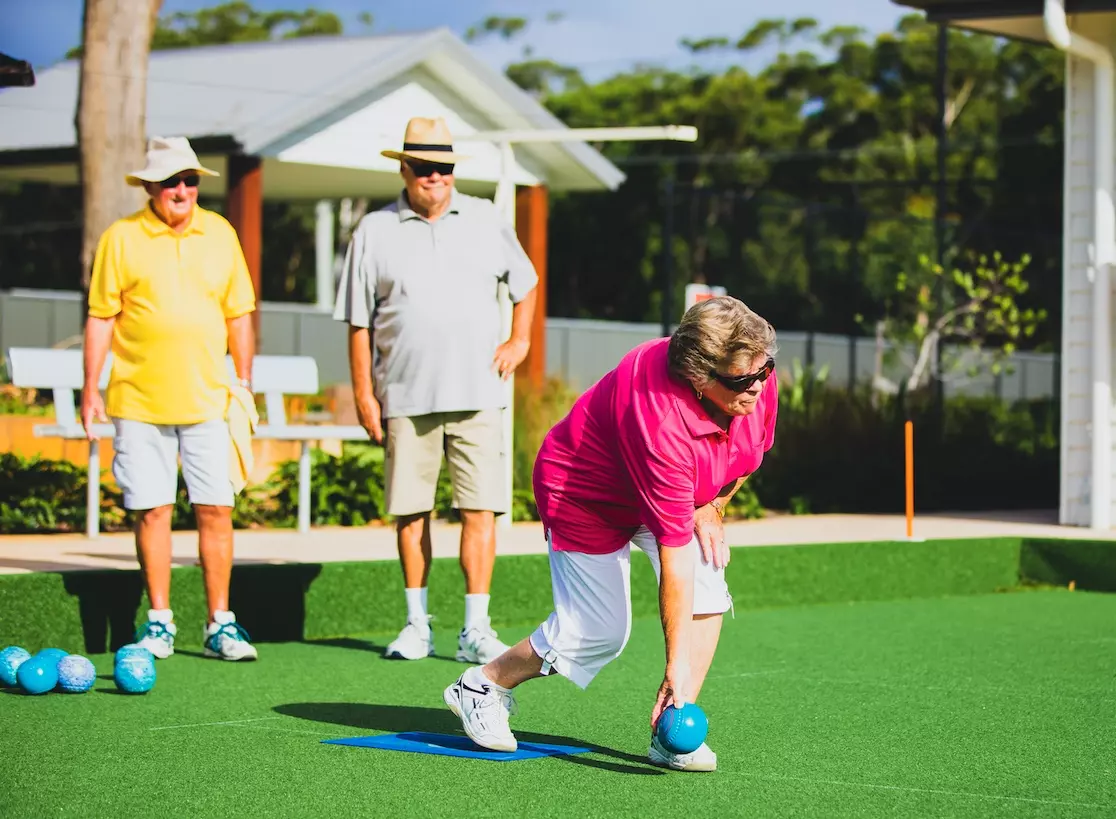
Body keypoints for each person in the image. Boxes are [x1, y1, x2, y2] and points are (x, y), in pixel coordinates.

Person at [443, 296, 779, 773]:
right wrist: (674, 666)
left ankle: (670, 728)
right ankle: (483, 685)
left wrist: (713, 504)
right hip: (585, 493)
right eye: (743, 381)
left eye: (764, 371)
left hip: (666, 490)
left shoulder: (753, 373)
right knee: (596, 633)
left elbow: (748, 454)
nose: (758, 386)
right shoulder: (662, 421)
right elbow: (675, 558)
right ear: (699, 378)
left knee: (709, 579)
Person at [333, 117, 539, 664]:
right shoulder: (373, 230)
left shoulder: (486, 218)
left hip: (478, 394)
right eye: (424, 166)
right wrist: (364, 394)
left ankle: (476, 629)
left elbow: (526, 285)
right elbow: (358, 322)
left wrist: (519, 341)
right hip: (403, 396)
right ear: (403, 169)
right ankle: (416, 625)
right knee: (410, 512)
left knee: (481, 510)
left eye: (444, 166)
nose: (435, 176)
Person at [81, 136, 259, 662]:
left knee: (216, 509)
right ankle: (159, 622)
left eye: (189, 180)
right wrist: (89, 388)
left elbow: (239, 314)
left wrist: (244, 381)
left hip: (208, 399)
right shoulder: (121, 237)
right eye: (170, 181)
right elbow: (101, 317)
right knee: (152, 511)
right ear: (150, 187)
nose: (181, 189)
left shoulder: (221, 233)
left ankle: (220, 623)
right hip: (137, 400)